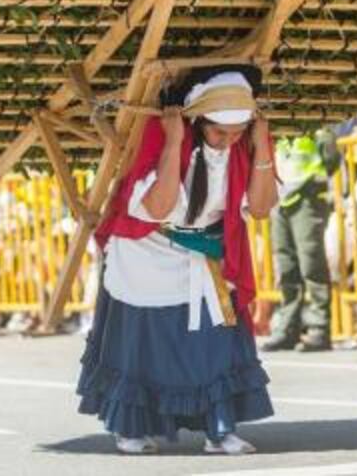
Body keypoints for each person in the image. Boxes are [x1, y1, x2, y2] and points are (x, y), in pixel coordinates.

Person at [77, 68, 276, 455]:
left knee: (215, 343)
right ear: (198, 121)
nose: (228, 141)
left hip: (207, 250)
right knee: (143, 344)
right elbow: (157, 206)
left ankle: (219, 428)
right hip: (147, 248)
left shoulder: (246, 144)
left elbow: (263, 207)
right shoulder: (161, 134)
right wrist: (173, 142)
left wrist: (262, 146)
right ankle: (131, 427)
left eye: (237, 133)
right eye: (219, 133)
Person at [262, 134, 331, 352]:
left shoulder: (317, 128)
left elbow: (331, 157)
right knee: (286, 266)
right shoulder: (278, 127)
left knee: (311, 263)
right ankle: (288, 328)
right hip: (281, 199)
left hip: (307, 197)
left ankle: (319, 328)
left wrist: (314, 184)